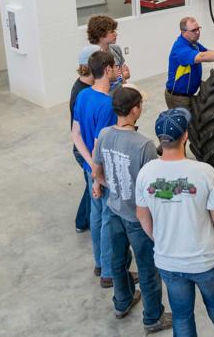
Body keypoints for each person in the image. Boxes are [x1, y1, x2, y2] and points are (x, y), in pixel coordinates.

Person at [135, 108, 214, 337]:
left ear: (160, 138)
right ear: (185, 136)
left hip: (168, 260)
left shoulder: (146, 173)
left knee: (182, 314)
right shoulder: (204, 172)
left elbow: (141, 215)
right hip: (204, 258)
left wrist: (159, 238)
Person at [91, 86, 172, 331]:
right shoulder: (144, 145)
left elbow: (96, 173)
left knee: (118, 261)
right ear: (135, 109)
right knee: (147, 268)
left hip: (114, 209)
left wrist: (110, 185)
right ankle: (153, 317)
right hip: (138, 217)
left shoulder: (104, 134)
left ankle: (122, 302)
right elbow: (154, 187)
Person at [71, 50, 118, 288]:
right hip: (105, 171)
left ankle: (100, 263)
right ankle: (110, 273)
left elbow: (75, 135)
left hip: (90, 165)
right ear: (108, 70)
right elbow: (101, 145)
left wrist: (89, 167)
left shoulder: (83, 96)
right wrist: (98, 177)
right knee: (109, 219)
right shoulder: (108, 105)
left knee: (96, 215)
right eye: (115, 67)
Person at [164, 16, 214, 112]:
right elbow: (202, 56)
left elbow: (207, 52)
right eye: (193, 30)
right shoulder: (180, 49)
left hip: (189, 95)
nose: (197, 32)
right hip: (178, 98)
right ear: (183, 32)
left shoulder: (193, 43)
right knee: (186, 126)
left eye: (198, 28)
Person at [70, 44, 99, 233]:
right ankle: (82, 222)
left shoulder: (82, 86)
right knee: (93, 188)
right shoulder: (82, 93)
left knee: (90, 186)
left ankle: (81, 221)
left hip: (83, 146)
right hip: (85, 149)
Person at [87, 14, 130, 90]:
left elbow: (121, 76)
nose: (116, 34)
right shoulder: (92, 57)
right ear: (100, 34)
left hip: (119, 94)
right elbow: (94, 84)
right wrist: (121, 75)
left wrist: (127, 92)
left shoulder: (116, 49)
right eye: (112, 31)